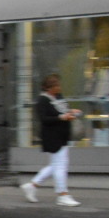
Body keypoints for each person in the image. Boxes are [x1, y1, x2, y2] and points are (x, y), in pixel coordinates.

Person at [21, 74, 82, 207]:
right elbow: (44, 119)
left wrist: (71, 112)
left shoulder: (59, 96)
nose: (59, 88)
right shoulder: (42, 100)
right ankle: (62, 194)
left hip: (62, 135)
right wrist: (62, 118)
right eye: (56, 86)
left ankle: (32, 185)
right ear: (49, 88)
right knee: (60, 166)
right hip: (52, 137)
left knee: (56, 165)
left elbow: (63, 110)